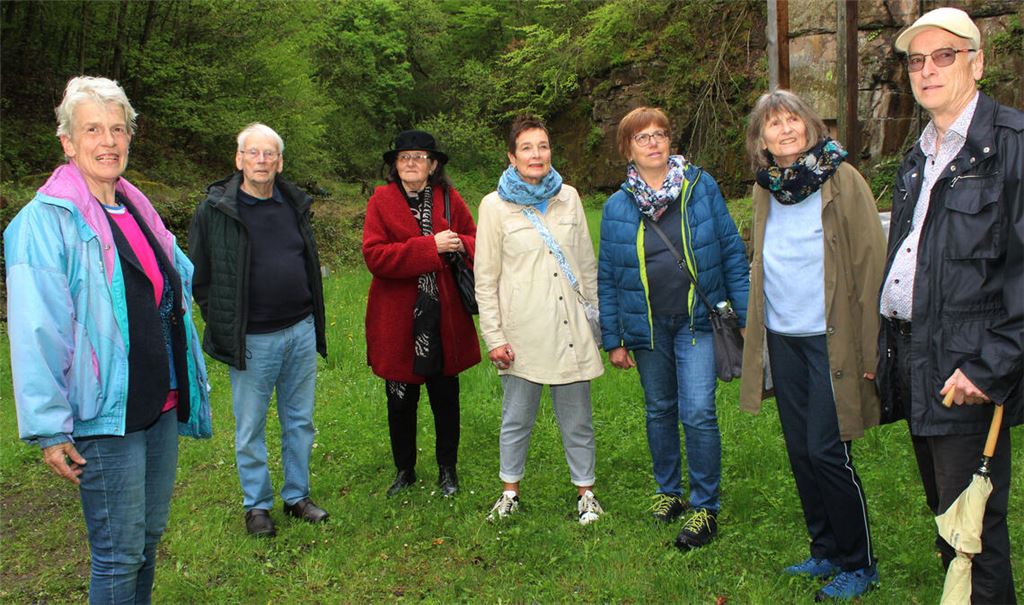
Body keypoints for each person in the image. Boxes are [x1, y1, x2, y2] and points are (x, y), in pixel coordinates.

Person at [5, 76, 212, 604]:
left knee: (145, 540)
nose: (108, 141)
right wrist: (49, 427)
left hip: (159, 402)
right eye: (92, 129)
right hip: (104, 413)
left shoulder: (136, 207)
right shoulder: (44, 223)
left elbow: (173, 287)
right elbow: (36, 329)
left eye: (118, 129)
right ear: (67, 142)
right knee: (119, 554)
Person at [878, 8, 1022, 603]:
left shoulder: (1010, 146)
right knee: (946, 516)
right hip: (919, 358)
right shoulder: (920, 156)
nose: (928, 70)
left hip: (969, 367)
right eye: (917, 60)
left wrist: (988, 370)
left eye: (944, 56)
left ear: (977, 63)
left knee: (974, 531)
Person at [738, 90, 885, 600]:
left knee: (827, 449)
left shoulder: (841, 178)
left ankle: (859, 562)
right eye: (773, 124)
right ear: (761, 141)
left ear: (810, 126)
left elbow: (871, 265)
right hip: (784, 335)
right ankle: (824, 549)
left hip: (832, 338)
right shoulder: (767, 189)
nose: (785, 129)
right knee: (801, 450)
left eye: (793, 120)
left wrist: (871, 346)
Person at [598, 106, 748, 548]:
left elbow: (731, 252)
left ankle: (705, 506)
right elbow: (609, 274)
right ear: (628, 148)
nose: (653, 142)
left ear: (670, 141)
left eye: (660, 134)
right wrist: (614, 339)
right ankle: (669, 492)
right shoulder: (616, 206)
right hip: (646, 327)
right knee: (659, 407)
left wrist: (744, 314)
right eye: (642, 137)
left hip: (697, 322)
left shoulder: (701, 189)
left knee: (698, 411)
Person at [189, 123, 328, 538]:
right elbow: (201, 276)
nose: (262, 161)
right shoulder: (216, 210)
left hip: (300, 330)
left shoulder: (293, 204)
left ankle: (297, 496)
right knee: (250, 427)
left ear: (280, 161)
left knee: (299, 421)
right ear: (239, 160)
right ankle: (257, 506)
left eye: (269, 154)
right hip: (252, 339)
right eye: (253, 153)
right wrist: (226, 324)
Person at [475, 114, 605, 525]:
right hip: (522, 332)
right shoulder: (494, 206)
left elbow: (586, 264)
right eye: (527, 148)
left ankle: (586, 493)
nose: (537, 155)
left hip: (569, 328)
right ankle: (509, 492)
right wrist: (494, 336)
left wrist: (598, 322)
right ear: (512, 156)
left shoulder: (569, 198)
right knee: (516, 418)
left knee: (578, 418)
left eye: (543, 146)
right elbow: (486, 279)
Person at [362, 130, 481, 498]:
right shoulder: (381, 201)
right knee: (400, 399)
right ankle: (405, 469)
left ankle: (448, 469)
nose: (411, 163)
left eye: (419, 157)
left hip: (443, 316)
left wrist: (459, 242)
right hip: (397, 319)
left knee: (446, 398)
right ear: (394, 166)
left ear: (433, 165)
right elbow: (375, 256)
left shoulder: (450, 199)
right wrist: (429, 248)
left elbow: (477, 241)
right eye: (403, 157)